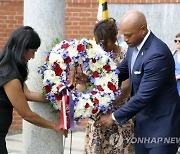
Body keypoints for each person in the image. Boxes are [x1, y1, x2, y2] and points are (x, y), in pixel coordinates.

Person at [94, 10, 180, 154]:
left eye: (128, 35)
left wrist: (113, 117)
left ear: (142, 29)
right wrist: (93, 78)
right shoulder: (133, 47)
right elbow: (119, 73)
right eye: (123, 35)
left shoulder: (157, 54)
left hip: (162, 128)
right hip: (142, 125)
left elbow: (143, 96)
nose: (125, 39)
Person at [0, 26, 67, 154]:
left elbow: (28, 94)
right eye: (33, 51)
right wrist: (54, 126)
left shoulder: (9, 68)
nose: (33, 57)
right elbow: (27, 114)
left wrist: (60, 97)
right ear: (23, 49)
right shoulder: (10, 76)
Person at [76, 18, 135, 154]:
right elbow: (86, 84)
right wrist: (77, 99)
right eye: (98, 41)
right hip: (97, 118)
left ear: (114, 38)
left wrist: (102, 105)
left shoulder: (126, 55)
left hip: (119, 117)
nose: (100, 45)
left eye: (104, 41)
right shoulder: (94, 56)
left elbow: (125, 88)